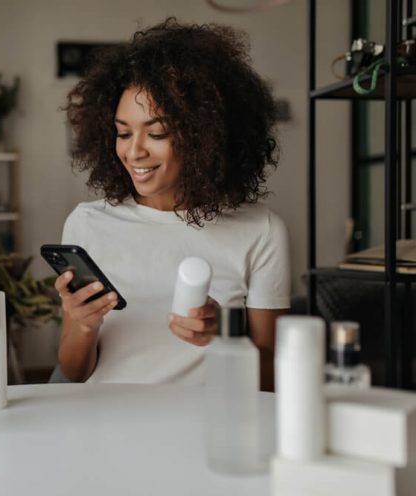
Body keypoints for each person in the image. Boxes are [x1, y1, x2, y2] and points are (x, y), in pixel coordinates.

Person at [54, 18, 290, 391]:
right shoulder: (87, 224)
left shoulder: (260, 230)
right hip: (105, 427)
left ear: (205, 136)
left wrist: (223, 339)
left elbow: (271, 376)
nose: (135, 151)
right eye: (123, 132)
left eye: (158, 132)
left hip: (204, 429)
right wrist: (83, 324)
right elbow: (73, 371)